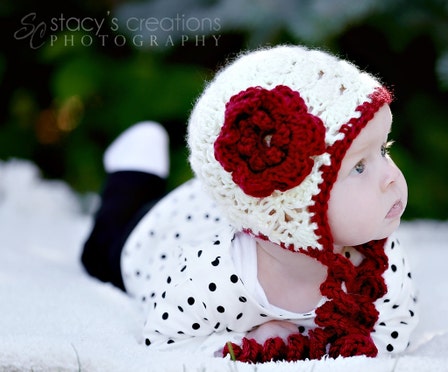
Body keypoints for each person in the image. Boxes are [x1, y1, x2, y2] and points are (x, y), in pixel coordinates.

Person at [81, 44, 419, 363]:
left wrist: (322, 345)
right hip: (162, 233)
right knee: (103, 248)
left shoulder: (377, 265)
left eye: (384, 150)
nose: (391, 176)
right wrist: (248, 344)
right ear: (296, 205)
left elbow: (391, 332)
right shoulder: (209, 275)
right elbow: (166, 341)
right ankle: (133, 168)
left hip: (235, 215)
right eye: (359, 167)